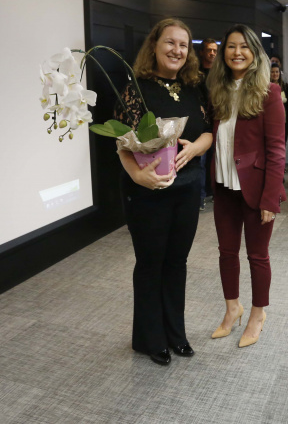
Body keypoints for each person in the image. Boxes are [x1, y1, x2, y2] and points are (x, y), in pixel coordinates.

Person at [114, 18, 213, 366]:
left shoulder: (194, 88)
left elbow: (209, 131)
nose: (177, 50)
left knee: (177, 262)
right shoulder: (136, 88)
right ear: (154, 46)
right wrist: (137, 176)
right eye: (170, 42)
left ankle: (175, 333)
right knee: (150, 262)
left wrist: (195, 149)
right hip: (147, 191)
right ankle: (149, 338)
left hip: (188, 189)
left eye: (183, 45)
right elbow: (121, 141)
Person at [207, 24, 285, 349]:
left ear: (254, 53)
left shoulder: (270, 92)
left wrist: (270, 198)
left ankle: (257, 314)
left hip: (256, 188)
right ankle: (232, 308)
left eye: (244, 47)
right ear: (223, 53)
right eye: (231, 46)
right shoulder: (218, 90)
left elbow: (277, 150)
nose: (237, 52)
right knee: (226, 252)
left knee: (257, 256)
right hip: (224, 185)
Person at [198, 38, 219, 210]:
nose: (212, 53)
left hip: (218, 120)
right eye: (209, 50)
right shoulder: (195, 74)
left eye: (214, 50)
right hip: (200, 123)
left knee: (216, 158)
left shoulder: (220, 74)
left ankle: (214, 192)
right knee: (201, 160)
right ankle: (200, 197)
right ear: (202, 52)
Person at [270, 63, 288, 144]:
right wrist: (280, 100)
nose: (275, 74)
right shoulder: (266, 87)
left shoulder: (285, 86)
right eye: (272, 72)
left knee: (283, 143)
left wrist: (280, 101)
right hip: (271, 121)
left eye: (277, 72)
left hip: (284, 120)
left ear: (280, 73)